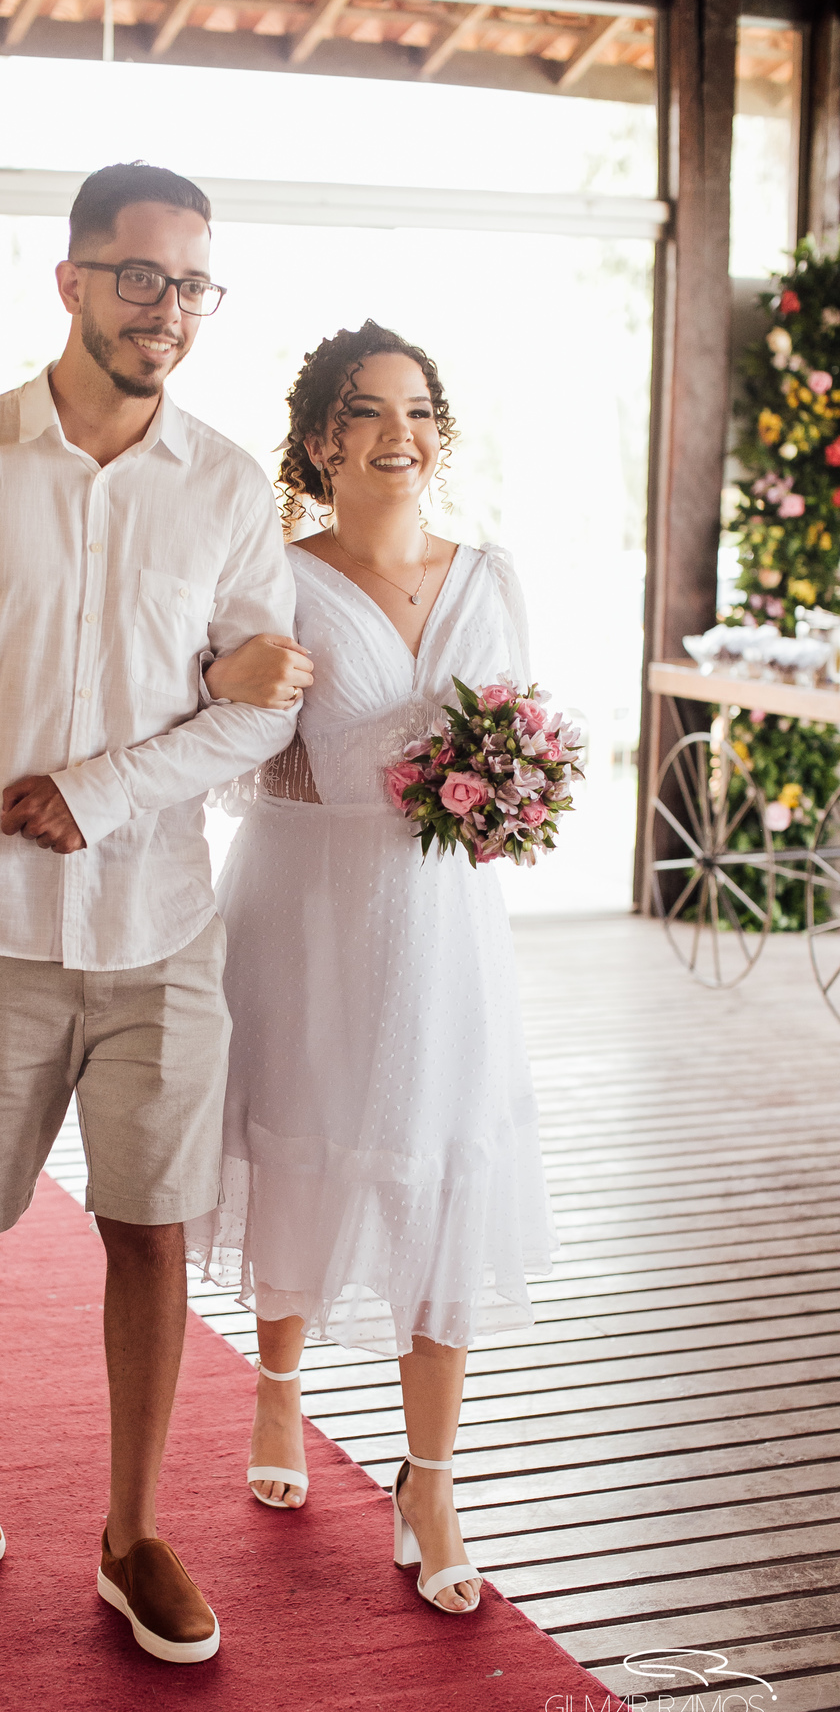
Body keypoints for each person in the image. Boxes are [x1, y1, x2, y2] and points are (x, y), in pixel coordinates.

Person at [0, 163, 300, 1665]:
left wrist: (102, 789)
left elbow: (261, 706)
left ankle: (132, 1531)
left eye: (189, 287)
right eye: (138, 278)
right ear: (71, 283)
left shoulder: (234, 489)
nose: (165, 311)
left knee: (152, 1230)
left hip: (164, 922)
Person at [188, 320, 558, 1616]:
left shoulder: (491, 574)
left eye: (418, 409)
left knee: (441, 1173)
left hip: (447, 921)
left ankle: (432, 1478)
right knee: (305, 1150)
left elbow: (527, 726)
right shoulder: (275, 579)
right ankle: (277, 1399)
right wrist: (238, 694)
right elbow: (226, 758)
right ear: (316, 442)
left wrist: (513, 790)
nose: (399, 431)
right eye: (367, 410)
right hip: (307, 903)